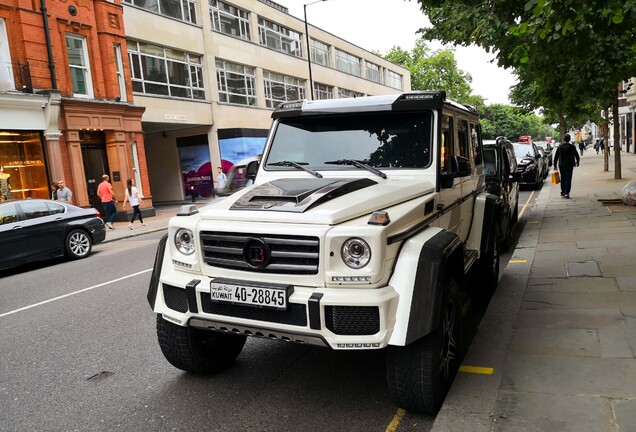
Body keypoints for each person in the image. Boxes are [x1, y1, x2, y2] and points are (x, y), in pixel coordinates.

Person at [554, 134, 580, 199]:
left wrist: (555, 165)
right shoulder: (572, 147)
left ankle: (562, 191)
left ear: (563, 139)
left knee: (563, 178)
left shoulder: (560, 147)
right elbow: (576, 155)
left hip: (562, 164)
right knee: (568, 179)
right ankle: (567, 193)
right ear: (569, 139)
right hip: (570, 164)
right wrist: (577, 162)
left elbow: (556, 157)